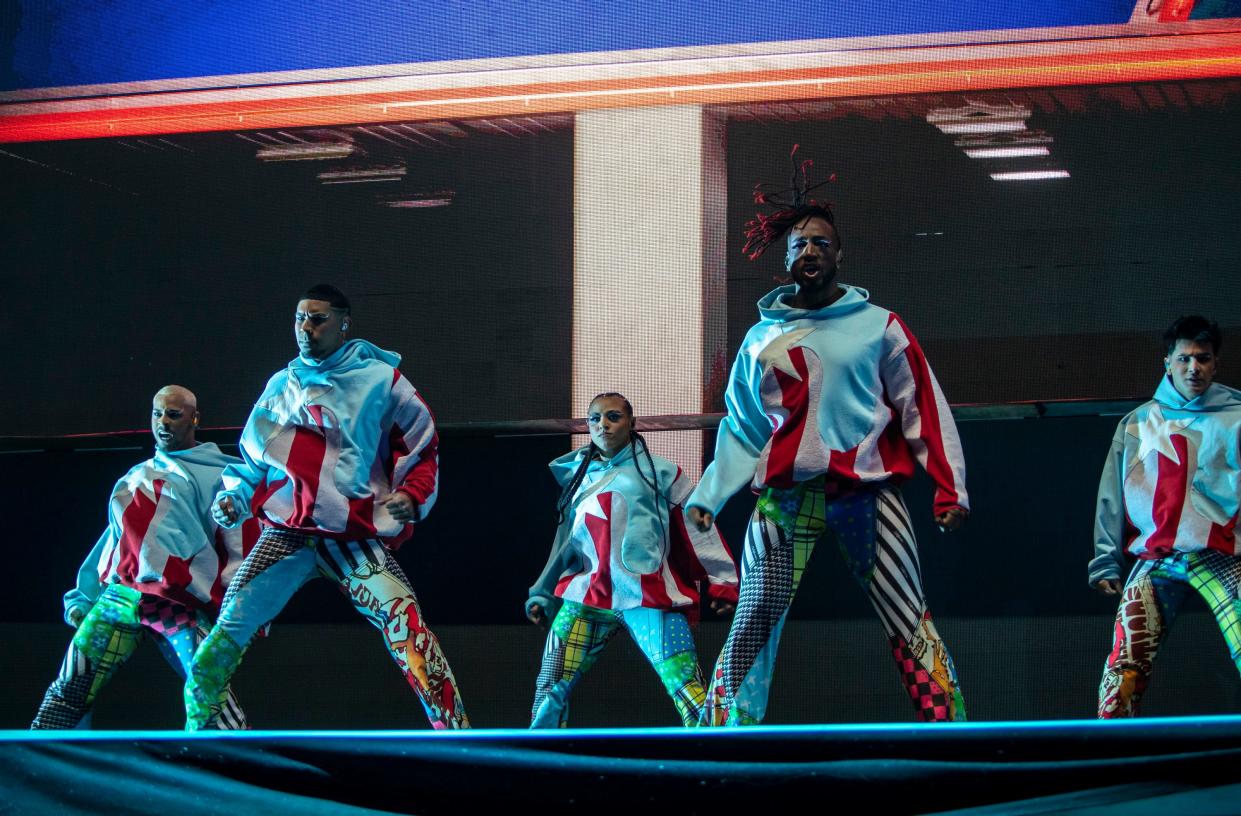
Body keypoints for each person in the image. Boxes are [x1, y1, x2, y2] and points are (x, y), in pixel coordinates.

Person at [687, 156, 969, 725]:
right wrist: (708, 496)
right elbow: (742, 427)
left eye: (820, 242)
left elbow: (924, 410)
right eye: (798, 244)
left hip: (865, 496)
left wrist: (950, 490)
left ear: (839, 255)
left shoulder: (879, 325)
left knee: (906, 614)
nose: (809, 251)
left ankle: (952, 734)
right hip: (783, 501)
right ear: (784, 258)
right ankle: (719, 742)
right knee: (752, 621)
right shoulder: (760, 339)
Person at [184, 284, 468, 730]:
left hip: (352, 537)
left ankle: (460, 744)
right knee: (216, 649)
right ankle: (205, 751)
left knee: (411, 635)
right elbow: (254, 457)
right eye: (300, 318)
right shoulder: (282, 384)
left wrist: (412, 493)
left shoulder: (381, 380)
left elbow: (421, 443)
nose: (306, 328)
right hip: (288, 533)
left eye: (317, 318)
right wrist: (232, 499)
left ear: (343, 323)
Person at [33, 386, 252, 729]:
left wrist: (241, 610)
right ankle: (39, 769)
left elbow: (246, 533)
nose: (163, 422)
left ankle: (235, 771)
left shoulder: (226, 474)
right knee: (69, 688)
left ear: (194, 419)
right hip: (124, 596)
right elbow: (115, 540)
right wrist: (84, 595)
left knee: (206, 694)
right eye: (157, 413)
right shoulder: (134, 479)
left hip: (179, 603)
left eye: (173, 415)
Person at [526, 393, 738, 727]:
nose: (602, 425)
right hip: (585, 598)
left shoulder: (663, 473)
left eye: (613, 417)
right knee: (548, 689)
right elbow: (566, 539)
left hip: (649, 598)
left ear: (632, 423)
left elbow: (697, 527)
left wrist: (723, 582)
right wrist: (542, 589)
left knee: (688, 690)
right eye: (594, 419)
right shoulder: (577, 476)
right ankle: (542, 771)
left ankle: (715, 769)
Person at [1091, 315, 1241, 717]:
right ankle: (1108, 759)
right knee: (1124, 666)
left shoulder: (1238, 416)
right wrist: (1105, 557)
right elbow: (1112, 494)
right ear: (1168, 362)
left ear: (1215, 362)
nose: (1194, 368)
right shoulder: (1138, 422)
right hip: (1156, 557)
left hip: (1222, 554)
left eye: (1203, 359)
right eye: (1185, 359)